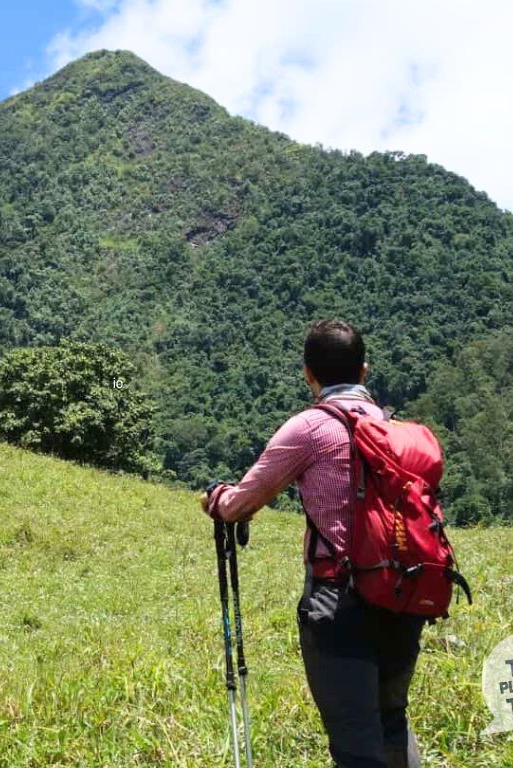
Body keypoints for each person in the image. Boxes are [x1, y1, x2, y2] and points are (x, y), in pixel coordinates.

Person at [199, 319, 424, 768]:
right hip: (405, 593)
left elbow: (241, 503)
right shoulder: (396, 430)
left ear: (308, 374)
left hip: (339, 601)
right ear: (364, 370)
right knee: (392, 718)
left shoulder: (308, 429)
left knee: (354, 736)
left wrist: (216, 499)